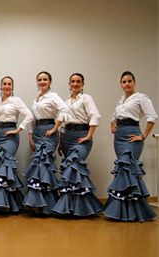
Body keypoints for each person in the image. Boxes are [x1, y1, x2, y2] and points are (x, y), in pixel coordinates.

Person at [103, 71, 157, 222]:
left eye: (129, 81)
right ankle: (120, 210)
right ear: (120, 84)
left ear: (134, 82)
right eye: (124, 82)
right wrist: (112, 126)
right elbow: (113, 118)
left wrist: (143, 135)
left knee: (130, 170)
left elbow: (152, 116)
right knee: (122, 170)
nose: (126, 84)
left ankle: (135, 211)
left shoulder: (141, 97)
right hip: (119, 137)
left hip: (133, 135)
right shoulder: (121, 100)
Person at [51, 73, 103, 216]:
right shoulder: (66, 101)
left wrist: (88, 135)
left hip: (81, 136)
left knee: (75, 166)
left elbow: (95, 115)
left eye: (78, 81)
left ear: (82, 84)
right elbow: (62, 122)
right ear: (69, 84)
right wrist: (61, 143)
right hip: (67, 136)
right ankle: (69, 207)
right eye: (73, 81)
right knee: (70, 172)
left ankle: (84, 207)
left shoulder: (86, 98)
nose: (75, 84)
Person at [0, 76, 34, 213]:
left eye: (9, 84)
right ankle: (3, 203)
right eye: (4, 84)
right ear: (0, 86)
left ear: (12, 87)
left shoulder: (16, 101)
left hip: (11, 137)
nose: (7, 86)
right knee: (0, 167)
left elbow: (29, 115)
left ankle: (7, 203)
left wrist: (19, 129)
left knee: (5, 163)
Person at [23, 71, 67, 214]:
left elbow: (64, 109)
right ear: (37, 82)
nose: (42, 82)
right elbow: (32, 119)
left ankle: (48, 205)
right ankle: (37, 203)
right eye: (40, 79)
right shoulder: (36, 99)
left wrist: (55, 128)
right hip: (37, 132)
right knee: (38, 166)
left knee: (45, 164)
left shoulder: (53, 96)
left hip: (49, 132)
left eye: (45, 79)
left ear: (49, 82)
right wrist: (30, 135)